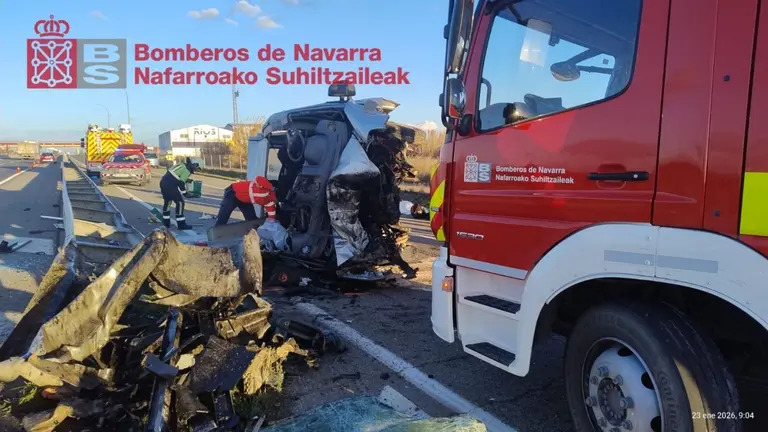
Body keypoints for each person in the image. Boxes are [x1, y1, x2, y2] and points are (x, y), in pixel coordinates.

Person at [160, 157, 198, 230]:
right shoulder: (187, 171)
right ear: (192, 165)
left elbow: (176, 176)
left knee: (167, 202)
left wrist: (186, 180)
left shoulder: (182, 165)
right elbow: (181, 183)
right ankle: (181, 225)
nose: (195, 170)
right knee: (180, 203)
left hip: (163, 183)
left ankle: (166, 224)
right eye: (195, 167)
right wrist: (185, 194)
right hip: (170, 186)